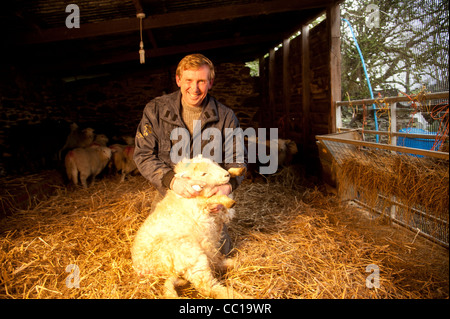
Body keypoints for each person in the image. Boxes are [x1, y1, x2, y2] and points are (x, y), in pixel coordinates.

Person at [134, 53, 247, 254]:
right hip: (171, 197)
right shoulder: (156, 110)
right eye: (188, 80)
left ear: (210, 82)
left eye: (201, 81)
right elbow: (143, 154)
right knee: (162, 253)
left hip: (208, 201)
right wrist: (172, 180)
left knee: (218, 255)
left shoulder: (226, 117)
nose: (194, 89)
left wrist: (226, 189)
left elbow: (238, 160)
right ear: (178, 80)